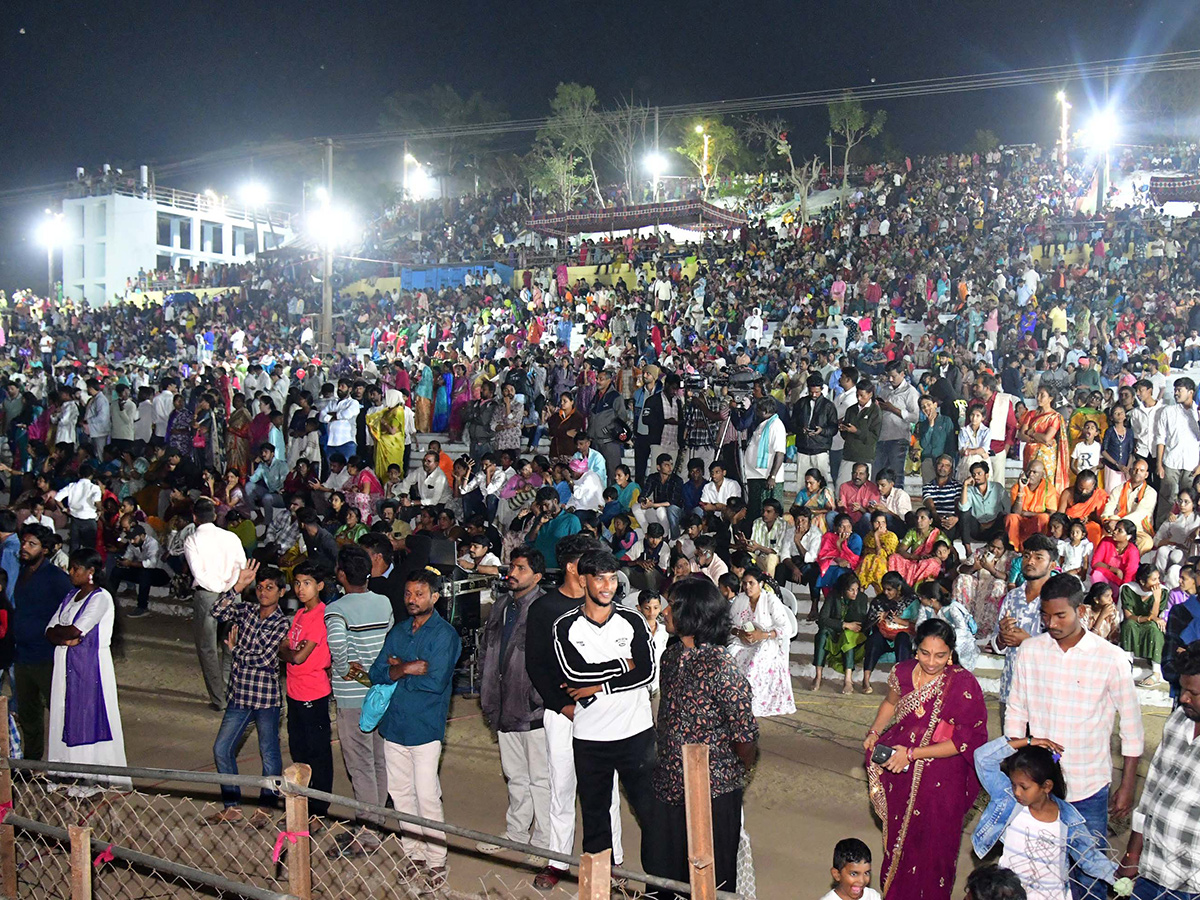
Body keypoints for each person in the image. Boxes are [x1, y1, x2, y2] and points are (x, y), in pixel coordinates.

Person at [1006, 573, 1144, 900]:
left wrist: (1127, 785)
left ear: (1080, 611)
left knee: (1089, 871)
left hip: (1089, 787)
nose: (1051, 623)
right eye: (1045, 615)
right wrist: (1015, 770)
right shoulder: (1031, 651)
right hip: (1041, 788)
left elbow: (1132, 726)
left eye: (1060, 615)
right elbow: (1016, 710)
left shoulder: (1110, 658)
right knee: (1037, 870)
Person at [642, 575, 758, 899]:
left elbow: (746, 736)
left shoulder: (721, 665)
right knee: (664, 867)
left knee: (710, 874)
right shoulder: (670, 656)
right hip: (667, 784)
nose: (665, 612)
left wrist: (730, 774)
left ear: (692, 613)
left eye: (672, 606)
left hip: (712, 791)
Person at [523, 535, 623, 890]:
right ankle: (557, 862)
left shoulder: (608, 606)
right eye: (591, 565)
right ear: (572, 567)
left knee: (606, 790)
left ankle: (610, 862)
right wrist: (565, 706)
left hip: (605, 713)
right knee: (561, 787)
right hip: (562, 712)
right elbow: (536, 665)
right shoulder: (544, 609)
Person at [862, 618, 988, 900]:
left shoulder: (962, 684)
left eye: (940, 655)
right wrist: (874, 732)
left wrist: (913, 753)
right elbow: (890, 703)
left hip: (944, 778)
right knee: (901, 841)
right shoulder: (903, 672)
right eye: (925, 653)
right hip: (902, 770)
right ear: (915, 650)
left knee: (935, 847)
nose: (932, 662)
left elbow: (963, 741)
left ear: (951, 654)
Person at [551, 549, 655, 870]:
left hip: (635, 734)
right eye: (599, 578)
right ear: (583, 581)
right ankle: (600, 887)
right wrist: (624, 663)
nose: (607, 586)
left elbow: (647, 671)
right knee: (595, 819)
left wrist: (599, 686)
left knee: (652, 814)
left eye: (612, 578)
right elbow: (572, 674)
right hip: (590, 738)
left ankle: (660, 890)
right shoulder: (565, 626)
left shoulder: (633, 619)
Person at [369, 568, 462, 887]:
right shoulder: (399, 630)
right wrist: (407, 668)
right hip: (394, 726)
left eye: (419, 594)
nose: (412, 599)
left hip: (424, 728)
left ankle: (437, 861)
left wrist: (396, 670)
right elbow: (375, 672)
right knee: (401, 794)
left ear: (435, 597)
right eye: (408, 593)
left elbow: (435, 683)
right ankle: (414, 855)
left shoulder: (444, 635)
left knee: (427, 796)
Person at [972, 735, 1117, 900]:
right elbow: (983, 758)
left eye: (1024, 787)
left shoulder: (1067, 820)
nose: (1017, 792)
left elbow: (1090, 858)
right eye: (1013, 784)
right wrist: (1027, 742)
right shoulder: (1008, 801)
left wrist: (1118, 878)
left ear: (1046, 786)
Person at [476, 548, 551, 861]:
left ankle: (545, 843)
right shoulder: (503, 605)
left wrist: (539, 699)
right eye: (512, 567)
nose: (512, 573)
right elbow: (489, 650)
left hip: (535, 710)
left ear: (537, 576)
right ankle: (517, 834)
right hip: (504, 706)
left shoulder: (545, 607)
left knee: (542, 780)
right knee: (515, 776)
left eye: (520, 568)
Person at [203, 561, 288, 828]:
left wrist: (235, 650)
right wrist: (238, 585)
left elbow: (265, 659)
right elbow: (216, 610)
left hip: (265, 698)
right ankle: (232, 806)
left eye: (270, 588)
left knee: (269, 753)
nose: (263, 592)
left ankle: (265, 807)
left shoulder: (282, 623)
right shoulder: (247, 610)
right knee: (221, 748)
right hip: (240, 694)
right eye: (260, 587)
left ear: (281, 592)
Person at [1116, 641, 1200, 900]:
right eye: (1183, 689)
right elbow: (1152, 790)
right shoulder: (1178, 721)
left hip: (1191, 883)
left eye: (1193, 693)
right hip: (1151, 871)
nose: (1183, 697)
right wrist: (1132, 855)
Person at [44, 548, 131, 796]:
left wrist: (64, 635)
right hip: (64, 663)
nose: (71, 573)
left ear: (90, 572)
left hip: (90, 667)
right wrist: (63, 637)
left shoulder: (101, 598)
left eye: (76, 568)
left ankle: (88, 778)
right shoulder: (71, 596)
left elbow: (75, 631)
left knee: (87, 716)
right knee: (63, 713)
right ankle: (64, 771)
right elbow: (50, 630)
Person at [326, 546, 394, 856]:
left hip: (353, 696)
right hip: (380, 693)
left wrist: (342, 670)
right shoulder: (383, 602)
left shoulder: (336, 608)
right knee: (380, 760)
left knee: (361, 765)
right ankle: (376, 824)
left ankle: (368, 834)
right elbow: (391, 642)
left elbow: (338, 645)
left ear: (341, 574)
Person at [13, 524, 74, 761]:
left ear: (45, 549)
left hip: (46, 656)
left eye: (31, 544)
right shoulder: (22, 572)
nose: (24, 548)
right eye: (24, 543)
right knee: (28, 714)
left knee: (58, 712)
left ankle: (66, 765)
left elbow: (71, 610)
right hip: (22, 656)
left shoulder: (56, 578)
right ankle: (31, 763)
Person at [183, 499, 247, 710]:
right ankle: (232, 693)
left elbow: (198, 574)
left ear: (195, 517)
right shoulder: (231, 537)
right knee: (231, 646)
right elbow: (242, 565)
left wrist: (218, 587)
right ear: (214, 516)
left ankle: (219, 699)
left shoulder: (192, 540)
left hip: (208, 594)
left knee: (207, 647)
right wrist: (229, 587)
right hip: (233, 592)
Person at [729, 567, 796, 716]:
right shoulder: (740, 600)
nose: (747, 587)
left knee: (754, 662)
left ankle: (749, 704)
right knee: (729, 658)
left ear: (761, 583)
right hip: (742, 642)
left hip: (767, 642)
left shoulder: (771, 600)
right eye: (745, 583)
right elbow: (728, 625)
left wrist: (762, 635)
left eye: (751, 583)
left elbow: (786, 628)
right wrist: (740, 633)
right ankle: (732, 703)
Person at [1153, 376, 1200, 526]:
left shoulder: (1198, 413)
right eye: (1175, 390)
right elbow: (1160, 439)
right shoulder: (1168, 411)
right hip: (1171, 462)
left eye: (1179, 390)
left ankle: (1184, 533)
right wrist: (1159, 464)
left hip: (1192, 464)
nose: (1176, 393)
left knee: (1188, 500)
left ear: (1190, 392)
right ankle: (1160, 532)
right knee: (1167, 498)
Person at [812, 572, 870, 694]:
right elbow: (823, 619)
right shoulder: (833, 596)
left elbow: (859, 622)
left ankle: (848, 680)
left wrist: (848, 626)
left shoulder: (861, 598)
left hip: (852, 634)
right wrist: (844, 625)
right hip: (835, 630)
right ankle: (818, 676)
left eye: (857, 589)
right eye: (851, 590)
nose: (855, 593)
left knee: (847, 636)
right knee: (822, 634)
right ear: (844, 589)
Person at [1118, 564, 1167, 685]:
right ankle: (1127, 664)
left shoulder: (1163, 592)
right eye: (1154, 579)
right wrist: (1145, 618)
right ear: (1142, 581)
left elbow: (1155, 616)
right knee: (1128, 624)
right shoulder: (1128, 589)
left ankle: (1156, 672)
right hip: (1135, 621)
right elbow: (1129, 616)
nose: (1158, 583)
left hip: (1150, 624)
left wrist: (1156, 599)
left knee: (1154, 628)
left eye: (1158, 579)